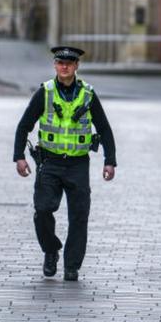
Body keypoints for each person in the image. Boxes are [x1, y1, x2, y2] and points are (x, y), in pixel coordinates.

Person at [13, 45, 116, 282]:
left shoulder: (88, 94)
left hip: (78, 165)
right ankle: (51, 250)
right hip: (49, 162)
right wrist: (18, 156)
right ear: (55, 65)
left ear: (77, 66)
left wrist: (110, 161)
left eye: (70, 63)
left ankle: (72, 266)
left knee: (79, 216)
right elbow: (24, 125)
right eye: (60, 63)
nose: (65, 66)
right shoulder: (45, 92)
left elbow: (104, 128)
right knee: (42, 210)